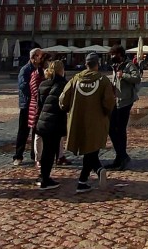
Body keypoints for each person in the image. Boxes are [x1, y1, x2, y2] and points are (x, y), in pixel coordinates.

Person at [59, 53, 116, 193]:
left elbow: (63, 99)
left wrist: (67, 109)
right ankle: (88, 177)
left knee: (89, 151)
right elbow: (109, 102)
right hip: (96, 121)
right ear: (97, 64)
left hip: (77, 120)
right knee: (92, 149)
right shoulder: (103, 80)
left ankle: (87, 178)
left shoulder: (75, 79)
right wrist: (107, 112)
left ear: (86, 64)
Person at [34, 59, 70, 190]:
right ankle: (45, 179)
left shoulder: (43, 84)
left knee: (46, 150)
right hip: (55, 122)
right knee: (50, 151)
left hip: (42, 121)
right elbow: (66, 105)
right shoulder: (64, 84)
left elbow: (39, 104)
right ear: (61, 70)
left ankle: (43, 175)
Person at [108, 45, 142, 170]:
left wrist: (124, 75)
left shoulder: (129, 65)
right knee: (111, 128)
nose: (112, 57)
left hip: (125, 101)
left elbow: (137, 78)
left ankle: (121, 158)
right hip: (116, 101)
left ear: (120, 54)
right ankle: (121, 155)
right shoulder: (115, 66)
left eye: (114, 54)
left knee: (120, 130)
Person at [13, 49, 46, 166]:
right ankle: (18, 156)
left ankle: (34, 155)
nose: (42, 59)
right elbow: (23, 86)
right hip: (26, 104)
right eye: (40, 56)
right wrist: (34, 96)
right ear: (34, 57)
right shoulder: (26, 69)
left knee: (36, 131)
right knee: (23, 131)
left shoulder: (40, 69)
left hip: (36, 105)